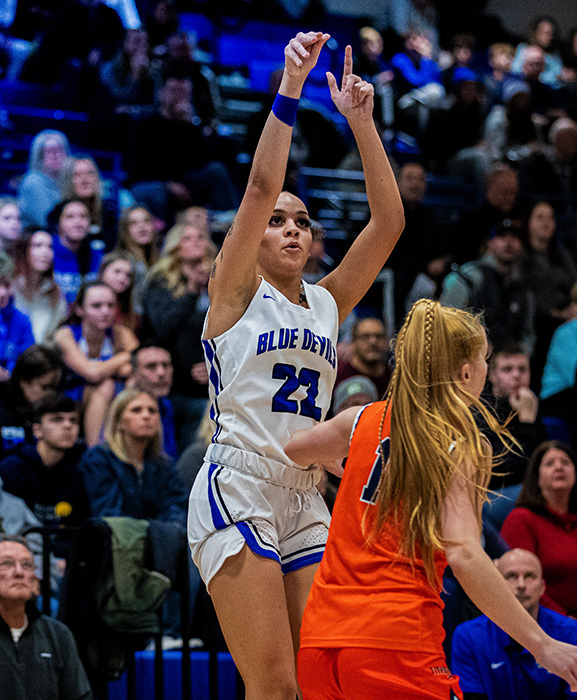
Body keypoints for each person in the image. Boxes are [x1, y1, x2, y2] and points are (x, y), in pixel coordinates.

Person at [187, 32, 404, 700]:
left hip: (304, 494)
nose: (289, 228)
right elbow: (258, 185)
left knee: (321, 679)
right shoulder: (231, 294)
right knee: (275, 685)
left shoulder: (328, 300)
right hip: (239, 485)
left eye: (302, 222)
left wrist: (362, 124)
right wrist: (290, 84)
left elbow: (388, 223)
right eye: (277, 221)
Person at [284, 299, 577, 699]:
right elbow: (465, 554)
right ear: (466, 371)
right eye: (486, 360)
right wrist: (541, 645)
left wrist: (333, 461)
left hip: (321, 643)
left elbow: (293, 449)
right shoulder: (459, 442)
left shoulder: (363, 419)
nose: (487, 371)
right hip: (396, 643)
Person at [452, 548, 577, 700]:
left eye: (529, 576)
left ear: (542, 587)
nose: (521, 584)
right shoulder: (468, 636)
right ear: (495, 585)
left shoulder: (570, 632)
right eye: (511, 576)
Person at [141, 223, 216, 449]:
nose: (195, 241)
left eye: (200, 237)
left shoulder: (220, 280)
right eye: (187, 238)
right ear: (175, 247)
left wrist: (214, 364)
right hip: (175, 383)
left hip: (213, 379)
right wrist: (192, 290)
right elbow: (164, 328)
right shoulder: (160, 281)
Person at [0, 535, 93, 700]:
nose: (19, 572)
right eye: (6, 564)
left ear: (35, 581)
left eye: (27, 565)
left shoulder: (58, 635)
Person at [80, 388, 187, 524]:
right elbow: (109, 515)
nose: (146, 416)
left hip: (159, 542)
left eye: (152, 411)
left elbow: (177, 510)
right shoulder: (99, 459)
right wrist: (155, 532)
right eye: (136, 410)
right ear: (118, 422)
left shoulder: (163, 465)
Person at [54, 281, 138, 446]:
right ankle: (95, 451)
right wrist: (123, 358)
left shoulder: (120, 332)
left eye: (110, 305)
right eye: (96, 306)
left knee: (133, 383)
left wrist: (109, 366)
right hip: (68, 396)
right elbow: (91, 373)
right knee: (105, 385)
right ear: (79, 309)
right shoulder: (65, 335)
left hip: (107, 394)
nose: (105, 311)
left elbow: (138, 362)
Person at [501, 441, 577, 617]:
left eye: (566, 462)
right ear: (537, 477)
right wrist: (564, 620)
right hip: (543, 620)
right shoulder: (522, 520)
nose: (559, 467)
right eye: (550, 463)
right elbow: (520, 585)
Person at [440, 219, 535, 354]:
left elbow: (528, 334)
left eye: (514, 237)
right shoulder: (467, 278)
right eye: (501, 236)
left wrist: (522, 353)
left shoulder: (523, 287)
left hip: (508, 365)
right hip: (471, 359)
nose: (508, 243)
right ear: (490, 243)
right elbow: (447, 326)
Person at [0, 392, 89, 531]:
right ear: (37, 430)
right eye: (57, 419)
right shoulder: (13, 470)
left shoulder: (77, 471)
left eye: (73, 420)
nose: (67, 425)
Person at [0, 345, 62, 456]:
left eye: (54, 389)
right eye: (45, 387)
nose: (51, 395)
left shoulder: (54, 417)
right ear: (24, 382)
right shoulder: (3, 410)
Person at [13, 230, 67, 343]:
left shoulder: (56, 292)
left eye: (50, 247)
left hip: (42, 356)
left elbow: (56, 336)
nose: (45, 252)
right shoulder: (11, 288)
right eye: (38, 245)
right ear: (24, 251)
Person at [60, 155, 120, 252]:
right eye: (77, 175)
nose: (85, 180)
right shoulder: (57, 214)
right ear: (68, 181)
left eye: (90, 173)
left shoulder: (109, 212)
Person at [51, 199, 105, 305]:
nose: (78, 222)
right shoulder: (47, 253)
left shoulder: (98, 259)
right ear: (59, 223)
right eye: (70, 217)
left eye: (83, 216)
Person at [130, 343, 178, 459]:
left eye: (166, 365)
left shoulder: (167, 405)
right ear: (134, 373)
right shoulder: (123, 407)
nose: (161, 373)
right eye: (151, 366)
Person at [17, 130, 70, 231]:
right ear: (39, 156)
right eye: (50, 151)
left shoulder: (68, 180)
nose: (56, 155)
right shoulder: (33, 182)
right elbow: (47, 221)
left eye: (59, 150)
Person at [114, 204, 159, 311]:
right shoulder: (123, 263)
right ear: (125, 230)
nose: (142, 227)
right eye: (133, 223)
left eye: (146, 221)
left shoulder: (158, 260)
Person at [334, 317, 392, 400]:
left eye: (379, 336)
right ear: (353, 342)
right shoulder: (337, 376)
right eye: (365, 337)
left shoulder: (394, 378)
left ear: (387, 342)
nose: (373, 342)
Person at [0, 252, 35, 383]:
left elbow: (29, 363)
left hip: (11, 388)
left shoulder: (22, 320)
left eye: (7, 285)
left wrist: (8, 374)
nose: (2, 292)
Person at [98, 250, 139, 332]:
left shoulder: (130, 313)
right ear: (102, 272)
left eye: (128, 275)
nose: (122, 279)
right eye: (117, 271)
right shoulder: (86, 302)